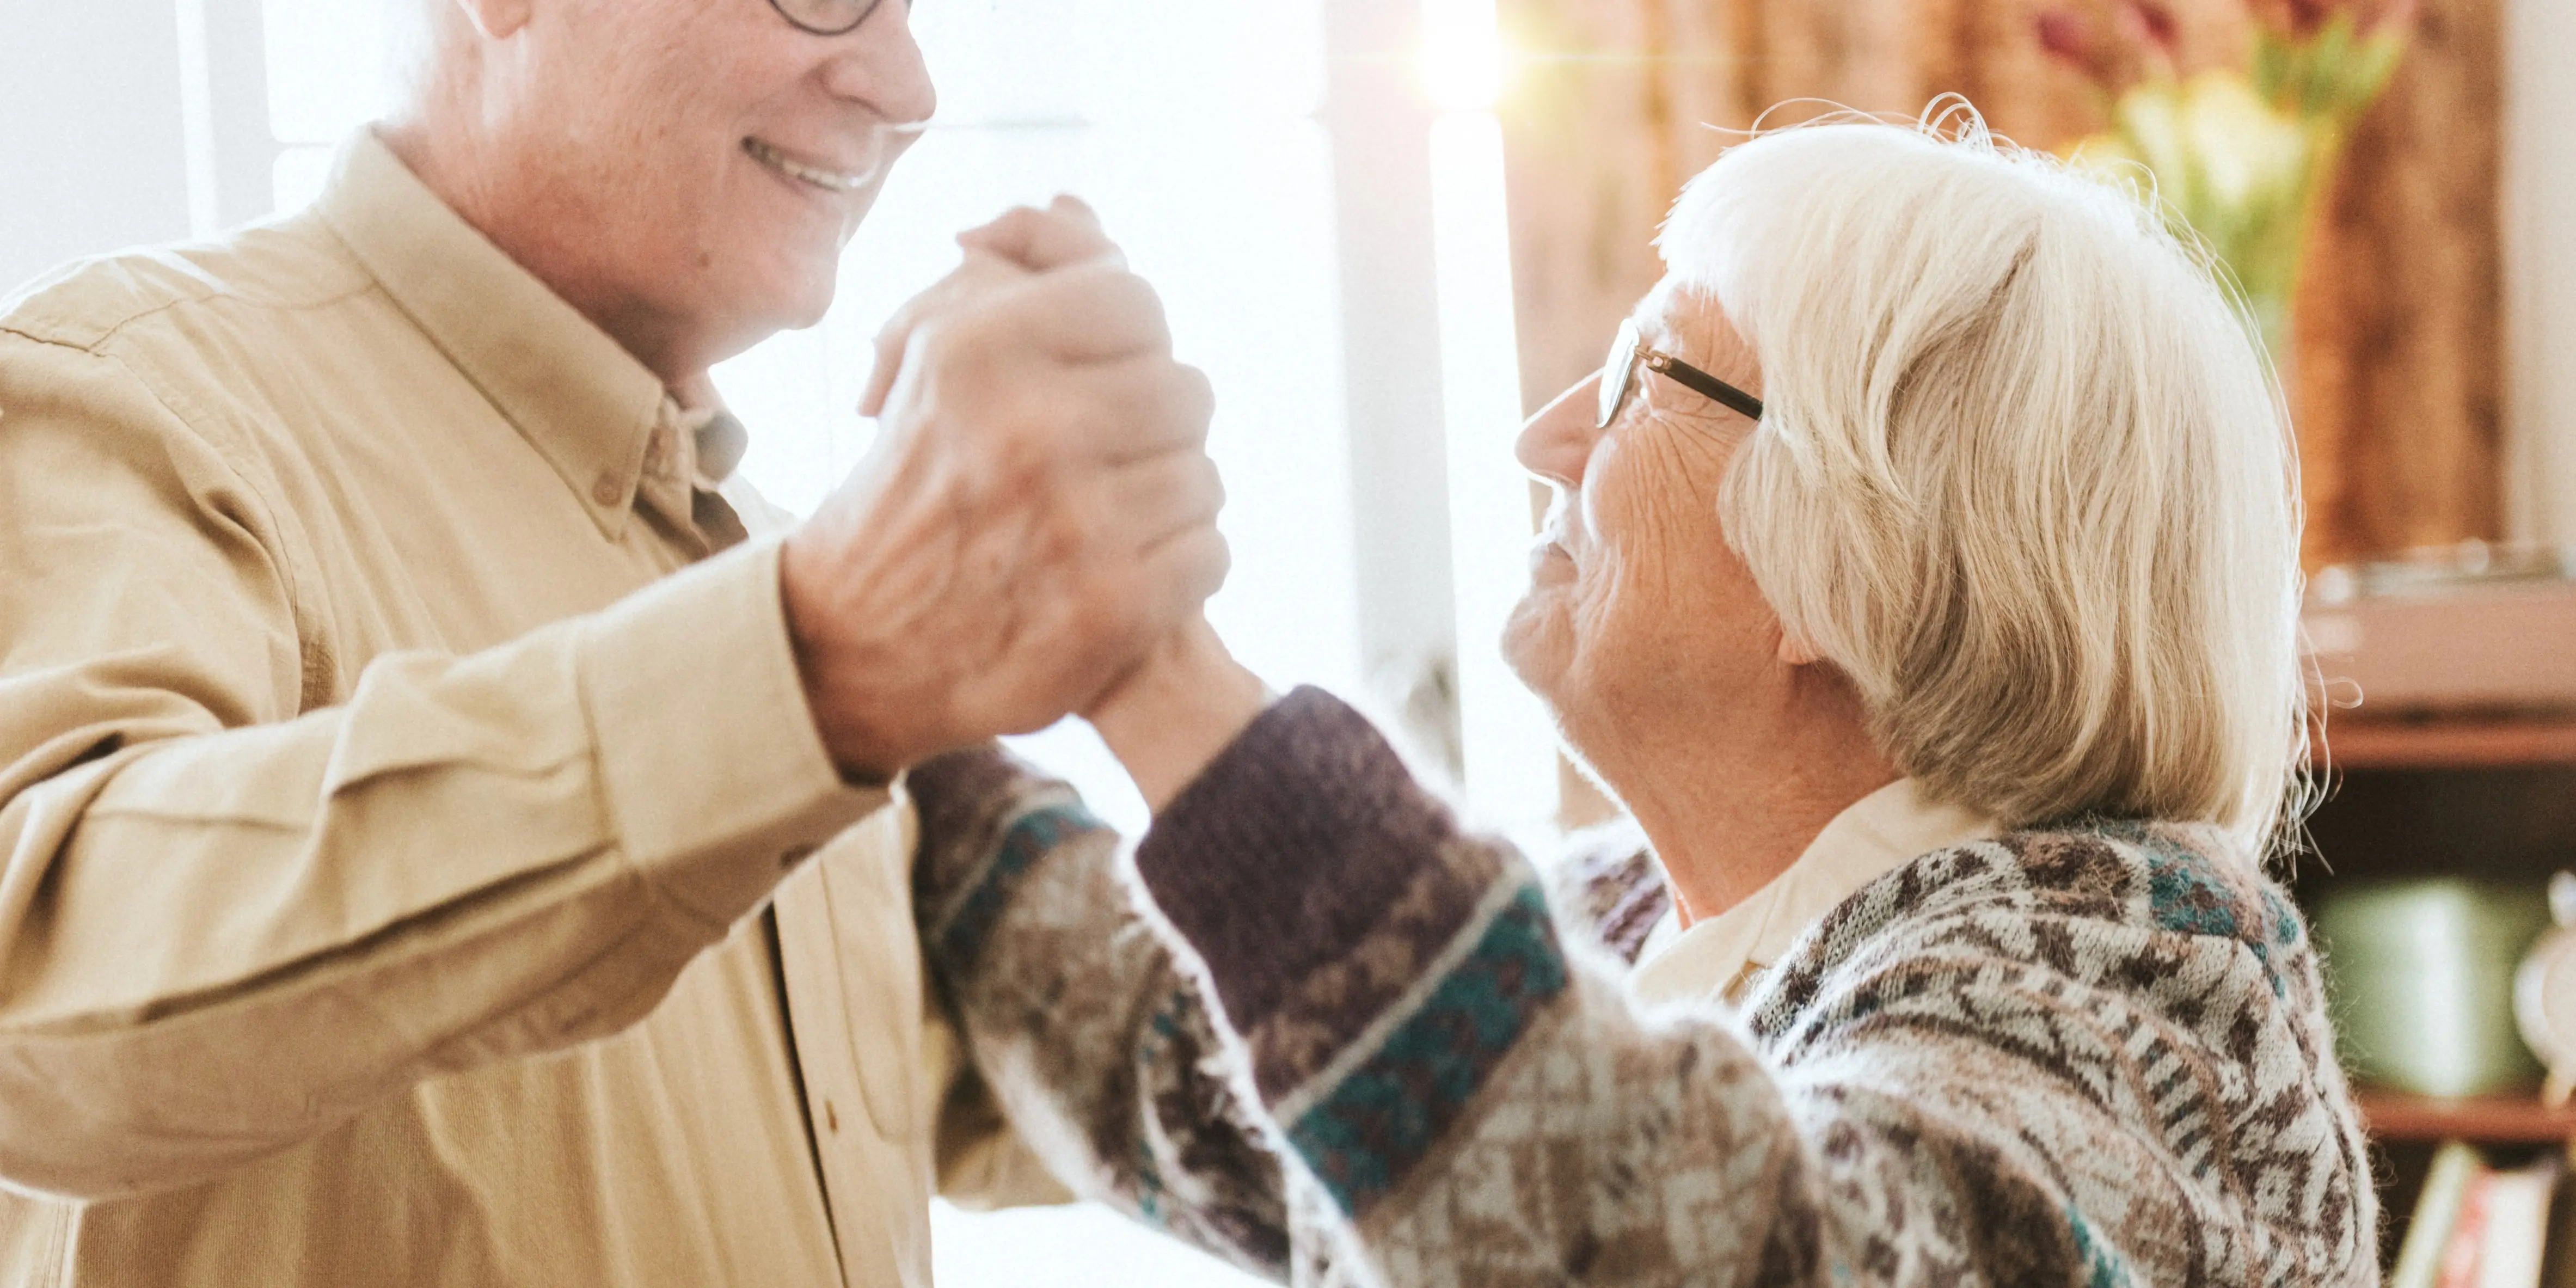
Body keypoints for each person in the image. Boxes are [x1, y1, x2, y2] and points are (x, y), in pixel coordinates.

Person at [908, 116, 2377, 1285]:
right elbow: (1195, 1069)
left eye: (1636, 377)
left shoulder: (2145, 993)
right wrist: (874, 649)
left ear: (1850, 554)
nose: (1543, 437)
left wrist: (1158, 672)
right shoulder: (1632, 922)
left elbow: (1700, 1241)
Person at [0, 0, 1230, 1281]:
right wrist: (808, 670)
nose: (904, 84)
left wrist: (1172, 677)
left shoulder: (788, 571)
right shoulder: (127, 393)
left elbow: (1185, 1100)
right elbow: (31, 1012)